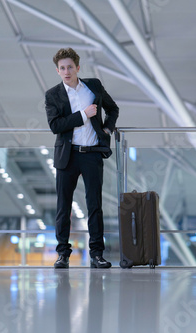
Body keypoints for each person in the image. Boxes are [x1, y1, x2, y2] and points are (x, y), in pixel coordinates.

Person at [45, 48, 119, 269]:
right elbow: (55, 126)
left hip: (91, 154)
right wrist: (82, 115)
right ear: (57, 71)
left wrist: (107, 128)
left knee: (94, 205)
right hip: (67, 155)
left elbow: (112, 109)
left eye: (70, 67)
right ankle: (63, 255)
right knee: (63, 206)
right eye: (62, 68)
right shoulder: (52, 95)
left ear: (78, 68)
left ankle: (97, 254)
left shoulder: (93, 86)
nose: (66, 71)